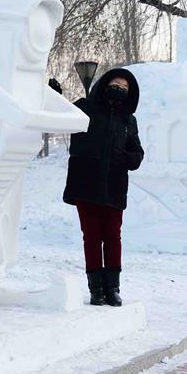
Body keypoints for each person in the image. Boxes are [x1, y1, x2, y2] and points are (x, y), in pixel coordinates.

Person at [51, 69, 144, 307]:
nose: (119, 89)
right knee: (91, 237)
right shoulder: (86, 108)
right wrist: (54, 95)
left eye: (124, 87)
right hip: (86, 183)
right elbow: (61, 114)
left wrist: (130, 158)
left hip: (114, 185)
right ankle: (96, 290)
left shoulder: (128, 120)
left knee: (113, 237)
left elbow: (137, 151)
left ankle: (113, 288)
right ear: (104, 84)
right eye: (115, 84)